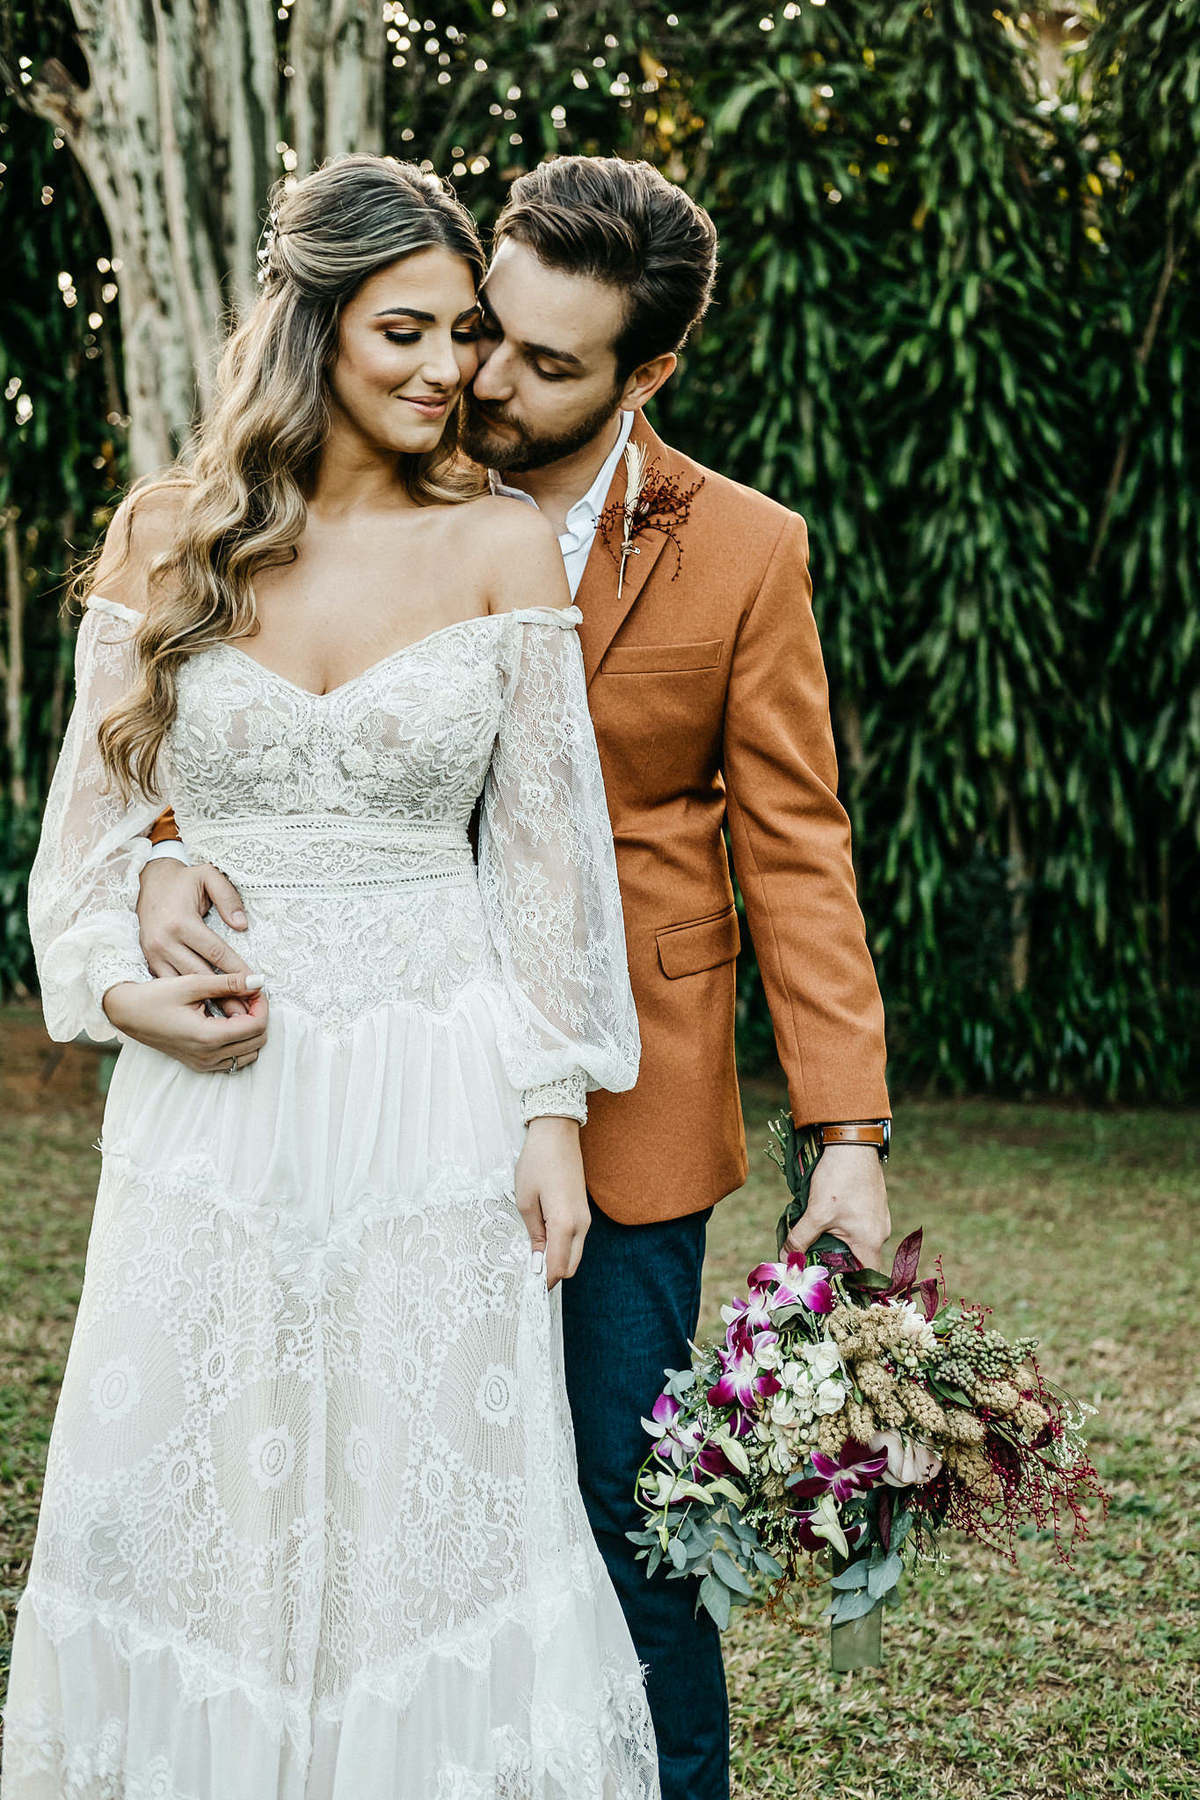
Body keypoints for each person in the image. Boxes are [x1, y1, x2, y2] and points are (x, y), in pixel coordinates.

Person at [133, 156, 893, 1800]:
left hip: (616, 1097)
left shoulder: (746, 553)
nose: (485, 379)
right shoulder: (359, 472)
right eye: (490, 334)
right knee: (380, 1514)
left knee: (624, 1518)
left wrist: (850, 1138)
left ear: (648, 372)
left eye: (549, 363)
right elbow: (239, 716)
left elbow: (797, 848)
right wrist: (171, 849)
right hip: (348, 1082)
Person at [2, 155, 661, 1800]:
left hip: (433, 1086)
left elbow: (549, 867)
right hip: (215, 1097)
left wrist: (550, 1102)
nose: (453, 370)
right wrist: (118, 965)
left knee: (424, 1504)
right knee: (194, 1491)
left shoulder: (506, 545)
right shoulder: (166, 535)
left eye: (465, 334)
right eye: (408, 332)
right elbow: (80, 845)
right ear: (312, 330)